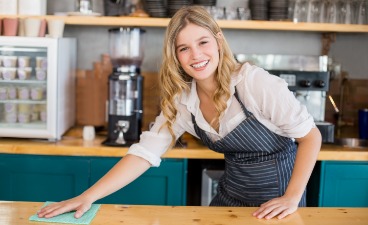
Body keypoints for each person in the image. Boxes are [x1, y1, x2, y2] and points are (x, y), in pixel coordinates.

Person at [37, 5, 321, 220]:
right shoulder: (184, 100)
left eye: (203, 42)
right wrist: (87, 197)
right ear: (176, 56)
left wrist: (292, 197)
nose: (196, 55)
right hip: (229, 201)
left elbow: (311, 137)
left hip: (279, 204)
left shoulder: (253, 83)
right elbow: (144, 153)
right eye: (184, 48)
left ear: (219, 41)